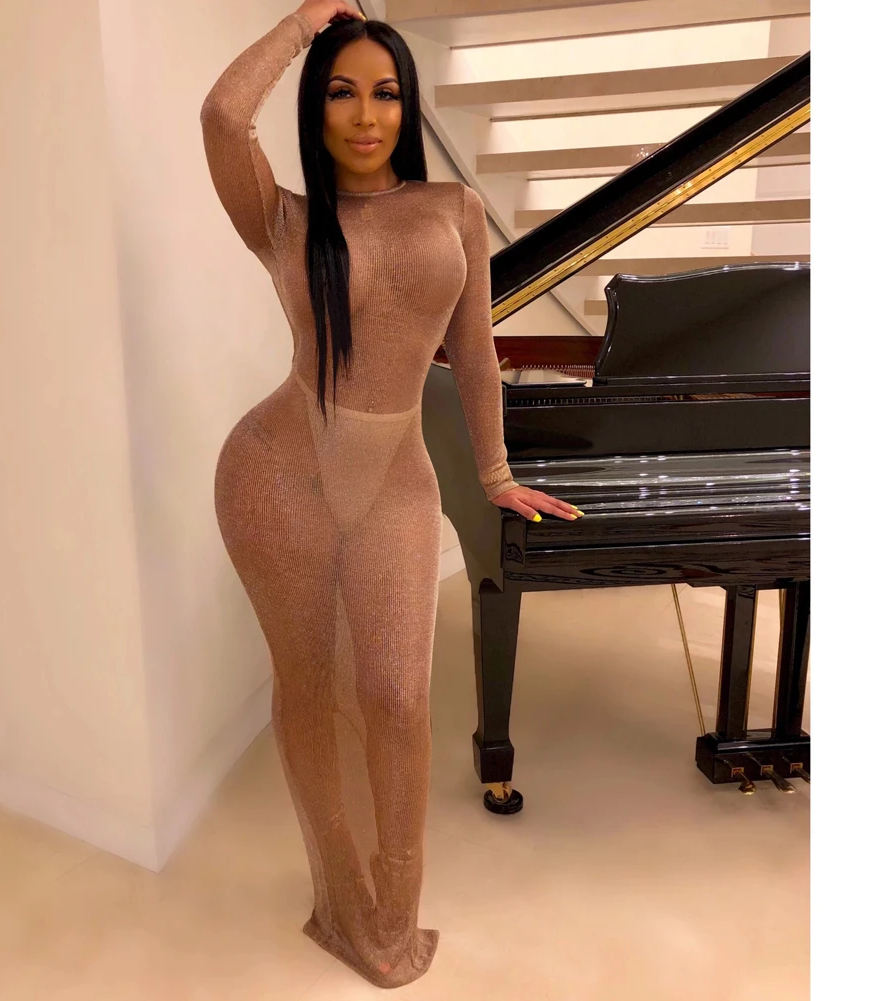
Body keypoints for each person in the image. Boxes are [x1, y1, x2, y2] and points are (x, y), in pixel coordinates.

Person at [201, 1, 580, 988]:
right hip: (276, 474)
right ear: (315, 106)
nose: (364, 114)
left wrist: (495, 475)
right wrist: (300, 26)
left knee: (397, 696)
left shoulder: (454, 208)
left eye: (384, 92)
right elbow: (223, 116)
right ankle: (340, 891)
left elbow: (476, 354)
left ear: (407, 107)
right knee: (308, 682)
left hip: (394, 482)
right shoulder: (283, 217)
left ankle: (390, 913)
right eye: (341, 92)